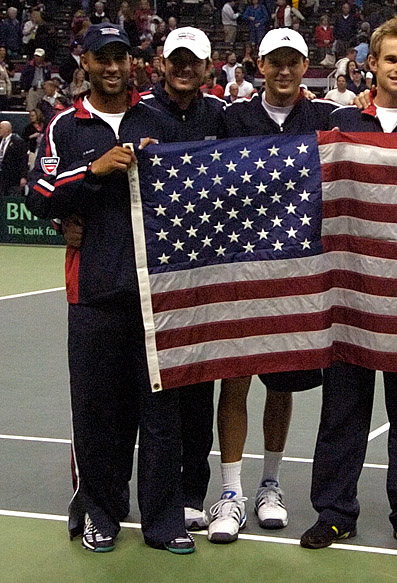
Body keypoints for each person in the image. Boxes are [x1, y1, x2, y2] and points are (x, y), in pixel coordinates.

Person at [25, 22, 194, 555]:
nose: (114, 67)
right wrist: (93, 172)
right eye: (104, 59)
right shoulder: (64, 127)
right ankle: (100, 512)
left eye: (122, 58)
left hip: (156, 295)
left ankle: (164, 521)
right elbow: (39, 195)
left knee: (162, 415)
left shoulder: (159, 120)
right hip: (94, 292)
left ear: (132, 64)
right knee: (99, 413)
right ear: (87, 63)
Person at [300, 16, 397, 556]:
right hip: (350, 294)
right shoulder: (340, 124)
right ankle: (335, 512)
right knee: (342, 412)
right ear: (372, 63)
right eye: (390, 59)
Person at [205, 27, 332, 545]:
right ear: (259, 65)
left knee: (281, 385)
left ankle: (270, 483)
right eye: (274, 62)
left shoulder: (326, 119)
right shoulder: (230, 117)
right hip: (240, 265)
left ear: (306, 67)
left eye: (293, 63)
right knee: (235, 379)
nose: (283, 71)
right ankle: (231, 491)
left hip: (298, 271)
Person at [138, 25, 226, 532]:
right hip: (152, 271)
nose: (185, 68)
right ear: (162, 64)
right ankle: (149, 487)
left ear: (208, 65)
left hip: (206, 274)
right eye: (177, 60)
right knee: (152, 389)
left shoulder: (223, 116)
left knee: (198, 389)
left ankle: (192, 489)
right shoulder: (138, 114)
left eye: (193, 61)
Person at [0, 121, 28, 196]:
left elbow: (23, 160)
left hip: (13, 178)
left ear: (7, 130)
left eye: (1, 128)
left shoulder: (18, 142)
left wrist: (23, 177)